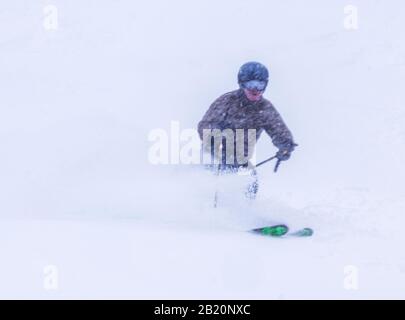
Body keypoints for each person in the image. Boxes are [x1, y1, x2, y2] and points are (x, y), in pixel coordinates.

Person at [197, 62, 297, 199]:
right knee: (219, 182)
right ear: (242, 84)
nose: (255, 90)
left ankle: (244, 212)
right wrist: (215, 135)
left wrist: (286, 145)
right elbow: (206, 124)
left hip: (239, 159)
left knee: (250, 180)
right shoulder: (227, 101)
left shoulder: (265, 109)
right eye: (251, 85)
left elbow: (278, 129)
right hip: (214, 156)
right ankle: (208, 209)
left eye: (260, 85)